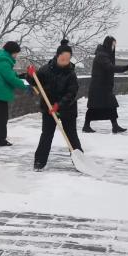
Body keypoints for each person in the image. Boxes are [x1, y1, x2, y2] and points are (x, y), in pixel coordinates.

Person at [26, 39, 81, 171]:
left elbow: (71, 93)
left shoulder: (71, 74)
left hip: (67, 109)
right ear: (57, 56)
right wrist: (30, 74)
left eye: (68, 59)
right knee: (46, 135)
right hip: (48, 108)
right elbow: (35, 81)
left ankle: (79, 161)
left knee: (71, 135)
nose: (65, 61)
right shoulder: (46, 69)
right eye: (63, 58)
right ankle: (39, 162)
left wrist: (59, 105)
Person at [0, 40, 32, 146]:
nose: (16, 55)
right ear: (11, 52)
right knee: (2, 118)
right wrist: (25, 86)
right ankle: (0, 140)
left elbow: (7, 74)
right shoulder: (4, 61)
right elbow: (10, 78)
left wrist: (19, 76)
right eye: (16, 53)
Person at [84, 36, 128, 133]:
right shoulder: (101, 56)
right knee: (94, 107)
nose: (114, 47)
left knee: (111, 105)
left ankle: (115, 126)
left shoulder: (105, 55)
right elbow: (110, 67)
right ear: (108, 44)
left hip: (104, 87)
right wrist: (125, 68)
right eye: (113, 45)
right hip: (98, 87)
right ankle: (86, 126)